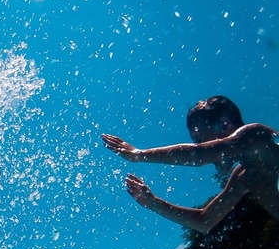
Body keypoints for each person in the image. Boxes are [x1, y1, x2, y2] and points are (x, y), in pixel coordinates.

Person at [102, 95, 279, 232]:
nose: (201, 146)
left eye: (200, 139)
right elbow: (204, 221)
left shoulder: (258, 135)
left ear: (225, 124)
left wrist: (138, 154)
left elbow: (200, 155)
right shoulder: (244, 176)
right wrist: (154, 203)